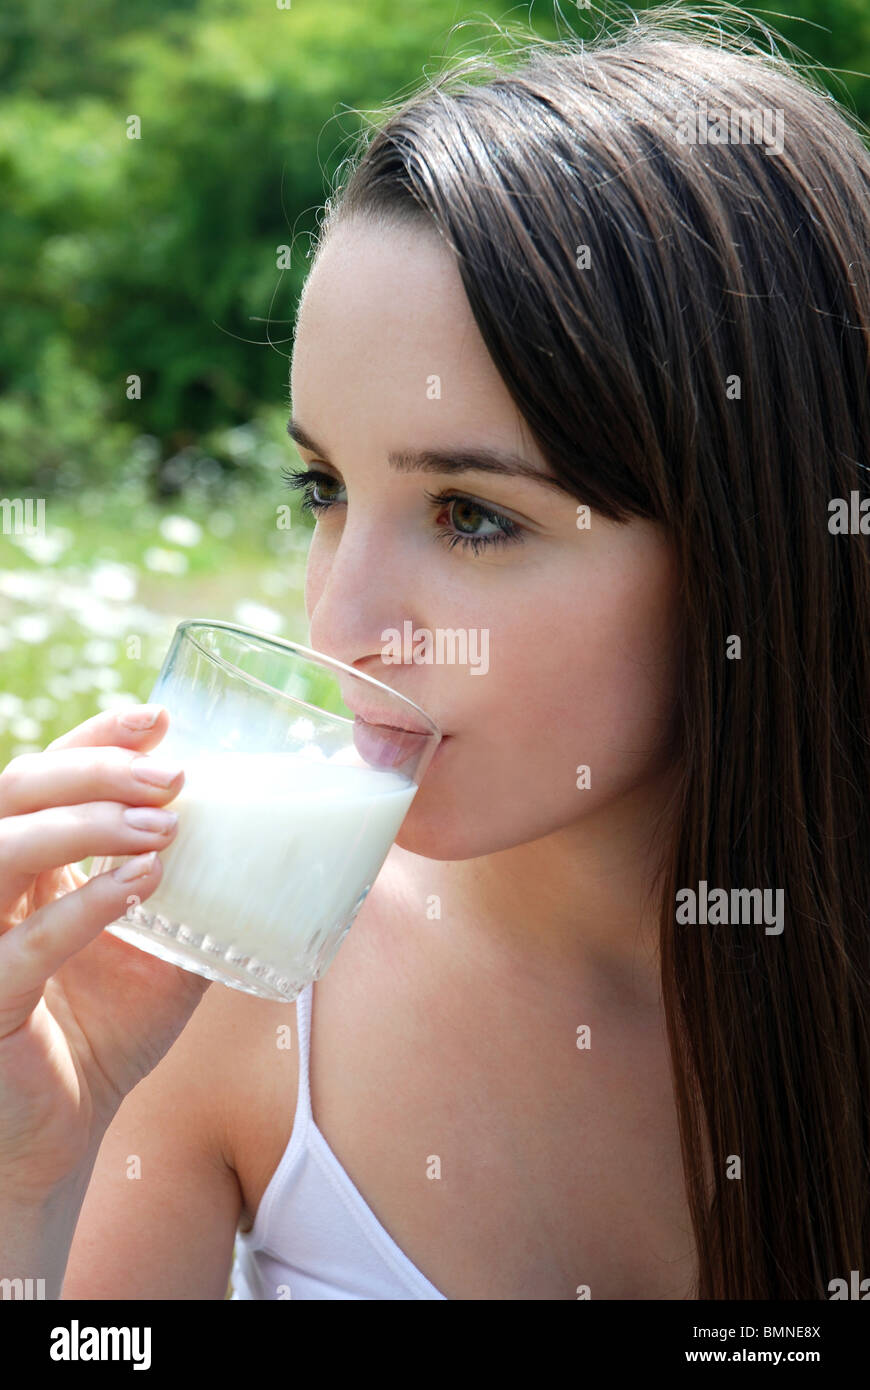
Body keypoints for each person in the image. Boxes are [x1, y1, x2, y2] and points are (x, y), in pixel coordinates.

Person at [2, 6, 868, 1300]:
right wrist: (27, 1192)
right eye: (322, 490)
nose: (339, 627)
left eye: (471, 515)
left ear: (754, 541)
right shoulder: (217, 979)